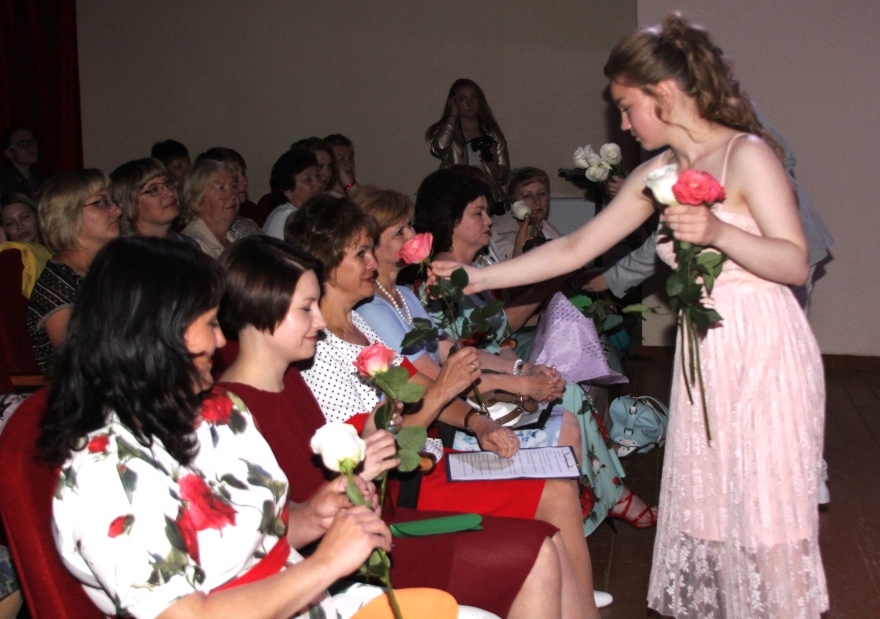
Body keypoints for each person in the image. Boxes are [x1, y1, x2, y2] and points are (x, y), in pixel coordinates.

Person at [433, 13, 828, 619]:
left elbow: (794, 262)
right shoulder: (658, 172)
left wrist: (718, 231)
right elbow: (574, 248)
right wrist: (477, 277)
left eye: (626, 106)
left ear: (662, 95)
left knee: (765, 515)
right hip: (707, 355)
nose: (621, 123)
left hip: (764, 346)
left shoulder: (747, 155)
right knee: (715, 514)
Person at [39, 236, 463, 619]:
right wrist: (325, 564)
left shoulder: (220, 413)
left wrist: (313, 516)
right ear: (154, 334)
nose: (221, 341)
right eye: (209, 324)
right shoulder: (107, 473)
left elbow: (264, 535)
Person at [217, 235, 586, 619]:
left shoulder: (288, 378)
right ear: (264, 308)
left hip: (371, 525)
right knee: (537, 553)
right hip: (343, 560)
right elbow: (264, 535)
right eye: (306, 308)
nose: (320, 320)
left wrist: (369, 450)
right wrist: (363, 464)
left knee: (547, 543)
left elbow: (324, 492)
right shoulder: (232, 410)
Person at [27, 169, 121, 373]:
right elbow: (82, 366)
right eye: (101, 202)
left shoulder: (104, 269)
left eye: (113, 201)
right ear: (68, 215)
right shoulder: (57, 287)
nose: (117, 210)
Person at [425, 79, 510, 212]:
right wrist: (452, 115)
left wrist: (493, 165)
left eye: (474, 97)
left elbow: (504, 176)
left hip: (491, 199)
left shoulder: (492, 134)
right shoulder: (448, 132)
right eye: (462, 99)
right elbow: (439, 148)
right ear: (454, 102)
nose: (469, 104)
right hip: (457, 199)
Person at [180, 159, 261, 258]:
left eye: (233, 186)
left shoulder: (235, 238)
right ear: (196, 202)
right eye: (221, 188)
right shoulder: (192, 247)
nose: (232, 195)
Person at [110, 157, 195, 244]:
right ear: (129, 203)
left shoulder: (188, 243)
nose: (170, 193)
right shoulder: (126, 251)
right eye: (154, 189)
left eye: (168, 183)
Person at [490, 167, 563, 261]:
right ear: (513, 202)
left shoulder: (549, 229)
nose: (537, 202)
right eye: (527, 195)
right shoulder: (496, 233)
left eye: (541, 193)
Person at [262, 149, 323, 239]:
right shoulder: (286, 217)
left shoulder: (308, 213)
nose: (318, 184)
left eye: (317, 176)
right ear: (288, 192)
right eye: (308, 180)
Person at [0, 127, 45, 199]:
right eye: (22, 144)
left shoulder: (41, 178)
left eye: (32, 142)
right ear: (9, 153)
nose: (31, 147)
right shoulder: (4, 181)